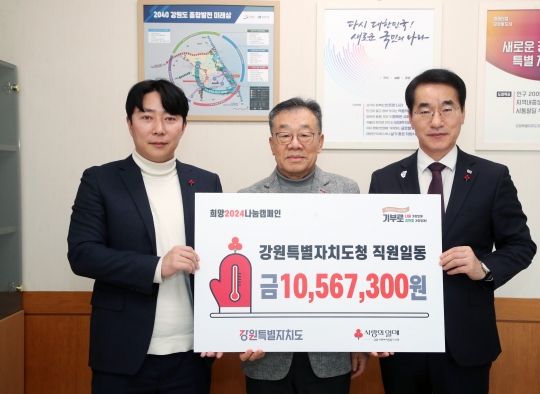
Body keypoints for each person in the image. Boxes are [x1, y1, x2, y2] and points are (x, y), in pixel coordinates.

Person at [369, 69, 536, 394]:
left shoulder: (492, 177)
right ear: (410, 117)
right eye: (425, 111)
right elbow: (373, 258)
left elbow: (520, 245)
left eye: (447, 109)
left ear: (462, 113)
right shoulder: (384, 179)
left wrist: (482, 266)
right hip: (402, 342)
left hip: (466, 341)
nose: (437, 121)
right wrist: (376, 327)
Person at [67, 79, 222, 393]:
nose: (159, 129)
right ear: (130, 123)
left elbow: (220, 261)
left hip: (192, 355)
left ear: (183, 126)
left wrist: (221, 328)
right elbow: (82, 254)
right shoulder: (100, 180)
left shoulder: (207, 182)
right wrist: (157, 266)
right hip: (121, 354)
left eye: (170, 118)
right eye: (147, 117)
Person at [238, 97, 369, 394]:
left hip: (330, 353)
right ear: (272, 144)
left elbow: (360, 268)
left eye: (305, 135)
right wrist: (236, 334)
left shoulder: (347, 192)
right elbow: (242, 276)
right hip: (265, 355)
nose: (294, 144)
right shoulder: (247, 199)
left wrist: (360, 341)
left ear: (319, 142)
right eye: (284, 135)